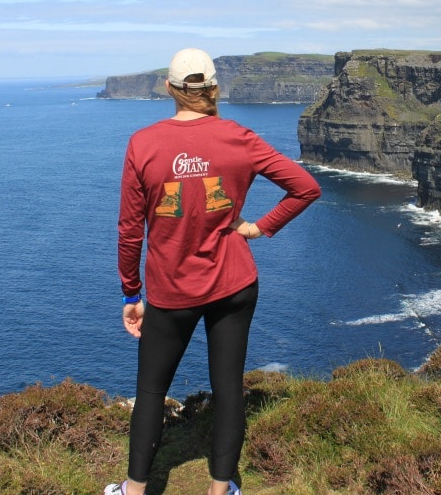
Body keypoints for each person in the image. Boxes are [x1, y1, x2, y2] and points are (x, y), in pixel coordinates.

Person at [105, 48, 321, 495]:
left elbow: (130, 231)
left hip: (171, 290)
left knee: (151, 391)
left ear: (170, 88)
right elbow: (305, 188)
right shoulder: (239, 137)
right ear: (215, 88)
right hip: (234, 283)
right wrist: (257, 228)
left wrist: (131, 293)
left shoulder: (143, 143)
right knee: (228, 387)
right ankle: (220, 489)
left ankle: (134, 489)